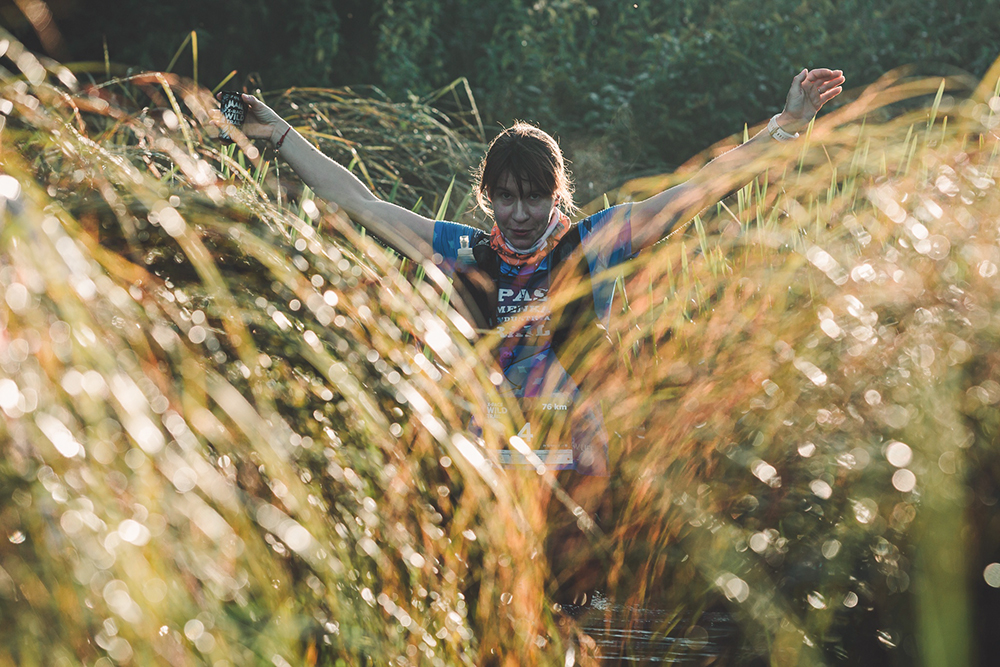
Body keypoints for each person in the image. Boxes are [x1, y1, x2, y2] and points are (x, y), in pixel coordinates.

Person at [226, 67, 845, 604]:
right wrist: (279, 134)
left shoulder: (594, 241)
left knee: (568, 599)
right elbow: (360, 202)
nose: (519, 216)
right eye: (506, 200)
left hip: (576, 462)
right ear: (487, 196)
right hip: (484, 460)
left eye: (534, 200)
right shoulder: (459, 250)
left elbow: (702, 188)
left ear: (558, 195)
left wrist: (786, 124)